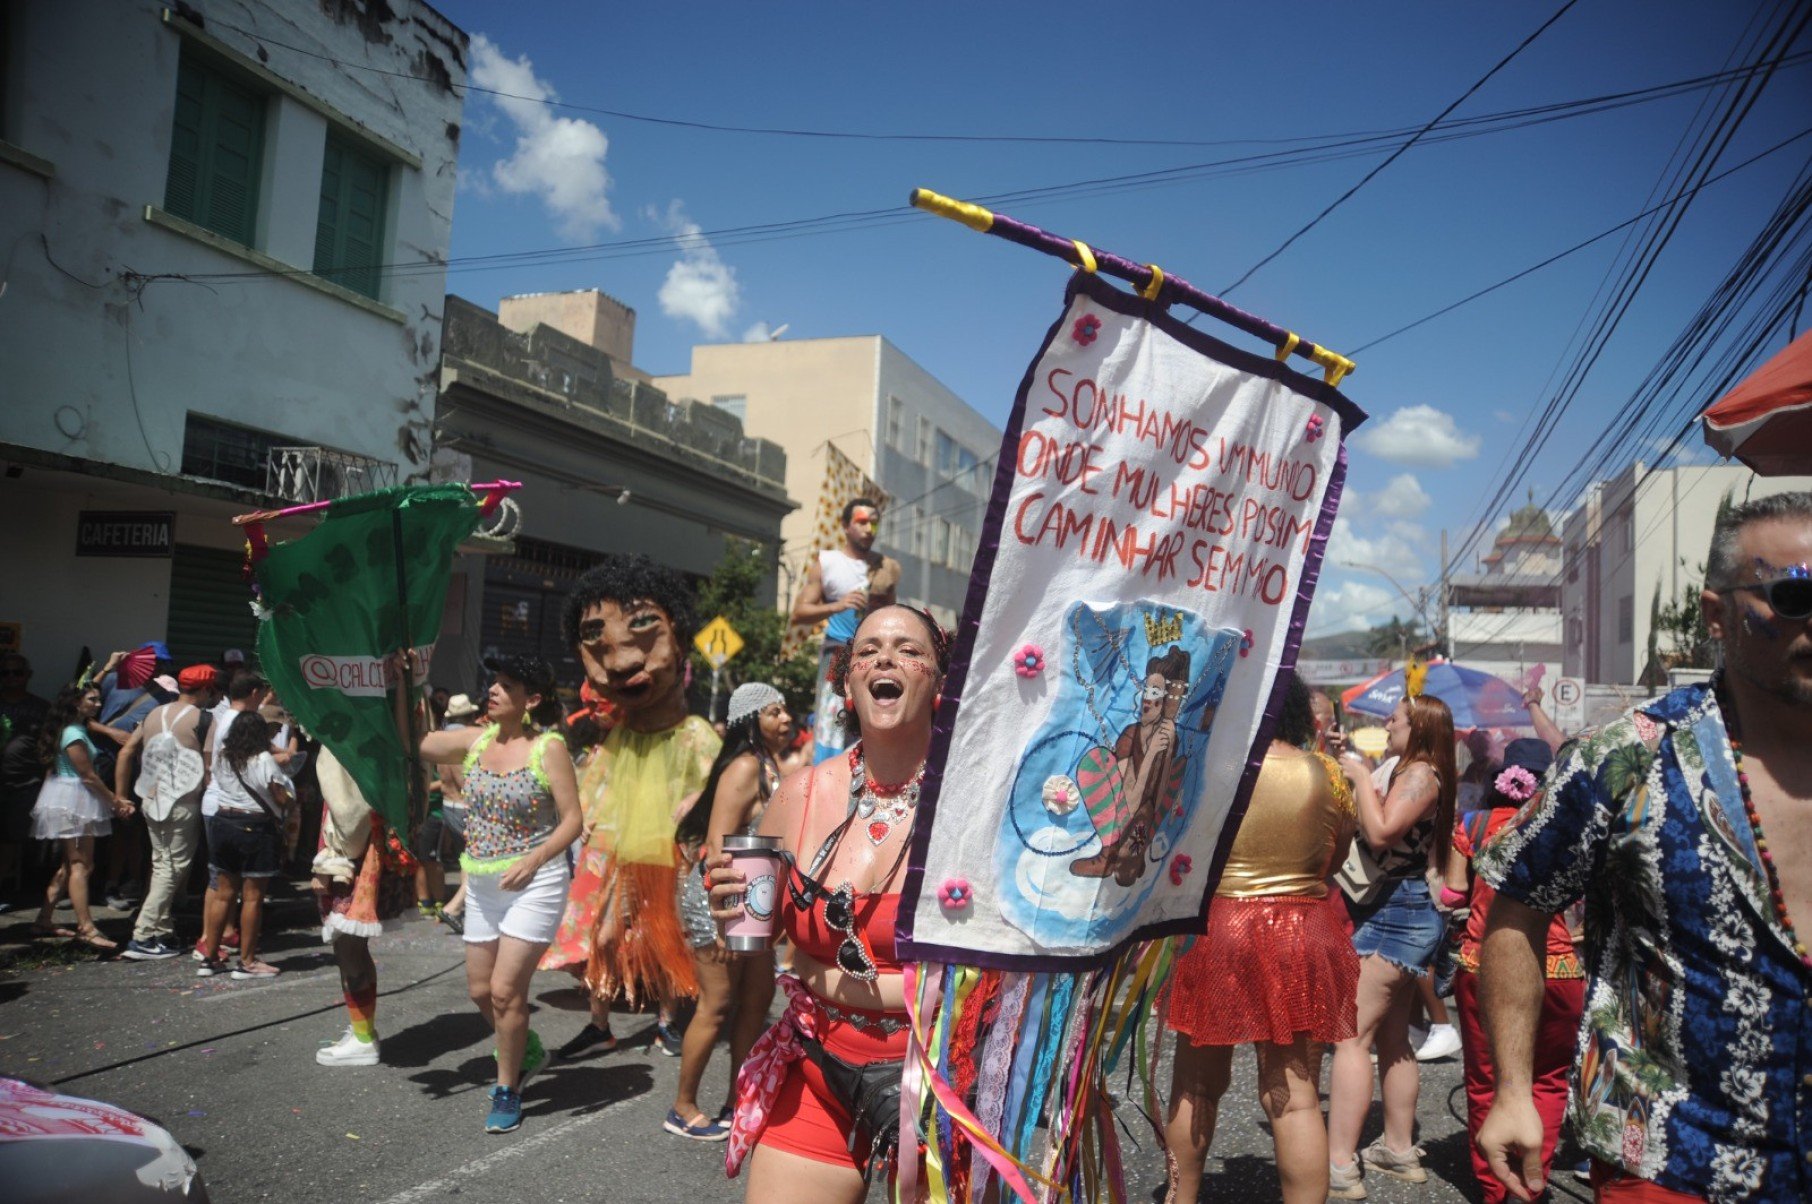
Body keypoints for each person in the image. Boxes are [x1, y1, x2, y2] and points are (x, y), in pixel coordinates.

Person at [1477, 493, 1812, 1202]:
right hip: (1670, 1159)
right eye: (1796, 596)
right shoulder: (1626, 759)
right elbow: (1517, 908)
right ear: (1718, 614)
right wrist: (1512, 1090)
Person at [708, 604, 950, 1201]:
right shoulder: (797, 795)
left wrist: (824, 973)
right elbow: (752, 938)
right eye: (867, 651)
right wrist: (728, 913)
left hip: (941, 1086)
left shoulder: (971, 804)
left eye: (909, 650)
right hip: (820, 1066)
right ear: (847, 683)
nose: (885, 659)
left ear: (939, 682)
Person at [1163, 672, 1358, 1204]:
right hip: (1302, 933)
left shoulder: (1205, 770)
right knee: (1295, 1099)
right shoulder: (1328, 773)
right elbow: (1333, 858)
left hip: (1217, 931)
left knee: (1196, 1086)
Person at [542, 556, 719, 1062]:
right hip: (617, 861)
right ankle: (601, 1025)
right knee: (603, 937)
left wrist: (695, 817)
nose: (618, 663)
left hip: (669, 860)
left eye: (641, 629)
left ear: (679, 640)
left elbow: (714, 797)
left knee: (665, 940)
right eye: (597, 642)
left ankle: (665, 1021)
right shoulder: (616, 738)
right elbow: (593, 795)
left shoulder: (693, 738)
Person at [413, 654, 581, 1134]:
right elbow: (418, 742)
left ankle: (508, 1086)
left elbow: (573, 819)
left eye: (507, 685)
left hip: (536, 884)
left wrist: (534, 859)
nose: (494, 690)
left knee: (508, 992)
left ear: (531, 700)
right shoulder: (476, 739)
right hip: (484, 884)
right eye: (494, 683)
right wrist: (412, 680)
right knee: (480, 991)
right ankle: (524, 1045)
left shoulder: (548, 748)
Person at [1326, 693, 1458, 1196]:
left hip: (1395, 913)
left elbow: (1380, 833)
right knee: (1392, 1038)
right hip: (1400, 909)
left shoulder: (1423, 775)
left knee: (1351, 1039)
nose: (1388, 721)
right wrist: (1358, 770)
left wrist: (1361, 777)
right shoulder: (1413, 769)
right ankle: (1397, 1150)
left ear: (1419, 727)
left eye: (1396, 718)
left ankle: (1340, 1164)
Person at [1443, 737, 1582, 1204]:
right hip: (1561, 968)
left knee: (1487, 1080)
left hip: (1484, 968)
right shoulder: (1568, 825)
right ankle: (1532, 1184)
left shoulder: (1474, 825)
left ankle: (1494, 1189)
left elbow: (1451, 894)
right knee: (1547, 1079)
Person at [667, 682, 790, 1141]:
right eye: (774, 712)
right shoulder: (743, 766)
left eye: (785, 711)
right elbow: (719, 843)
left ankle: (740, 1099)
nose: (785, 719)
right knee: (717, 1005)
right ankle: (681, 1107)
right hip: (721, 900)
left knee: (757, 999)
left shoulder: (768, 765)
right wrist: (725, 912)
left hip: (751, 901)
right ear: (750, 719)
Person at [309, 741, 421, 1067]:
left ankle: (362, 1039)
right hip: (365, 848)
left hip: (351, 856)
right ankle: (363, 1031)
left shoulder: (346, 740)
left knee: (348, 950)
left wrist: (327, 865)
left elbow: (347, 813)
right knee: (354, 948)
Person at [110, 665, 220, 959]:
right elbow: (210, 769)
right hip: (184, 803)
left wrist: (120, 795)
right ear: (207, 690)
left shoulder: (153, 714)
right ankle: (143, 935)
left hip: (151, 799)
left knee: (161, 862)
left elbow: (125, 752)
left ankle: (162, 932)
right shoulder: (207, 719)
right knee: (172, 869)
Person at [790, 498, 901, 764]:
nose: (868, 529)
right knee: (832, 722)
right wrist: (839, 605)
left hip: (873, 655)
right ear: (845, 526)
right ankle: (825, 776)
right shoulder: (828, 563)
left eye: (874, 523)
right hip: (838, 653)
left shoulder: (887, 567)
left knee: (873, 718)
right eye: (862, 522)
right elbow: (799, 612)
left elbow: (893, 611)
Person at [30, 684, 131, 949]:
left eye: (99, 699)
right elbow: (87, 775)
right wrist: (115, 800)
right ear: (76, 703)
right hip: (74, 798)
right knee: (81, 866)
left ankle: (44, 918)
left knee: (70, 864)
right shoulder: (73, 732)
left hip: (70, 797)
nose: (98, 704)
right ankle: (86, 927)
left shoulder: (72, 729)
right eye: (92, 700)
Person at [194, 711, 290, 979]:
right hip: (254, 828)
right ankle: (247, 961)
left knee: (223, 894)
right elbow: (280, 798)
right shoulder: (263, 760)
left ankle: (209, 958)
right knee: (252, 898)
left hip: (223, 823)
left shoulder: (224, 756)